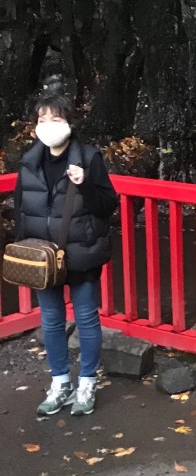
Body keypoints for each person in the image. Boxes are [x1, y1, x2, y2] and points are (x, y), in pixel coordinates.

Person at [12, 94, 117, 417]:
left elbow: (106, 205)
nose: (48, 126)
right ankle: (60, 382)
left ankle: (86, 382)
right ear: (34, 127)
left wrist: (85, 184)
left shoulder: (88, 158)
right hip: (43, 258)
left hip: (81, 253)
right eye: (42, 120)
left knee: (86, 318)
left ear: (69, 123)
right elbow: (20, 208)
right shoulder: (29, 162)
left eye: (56, 119)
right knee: (51, 321)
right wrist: (24, 250)